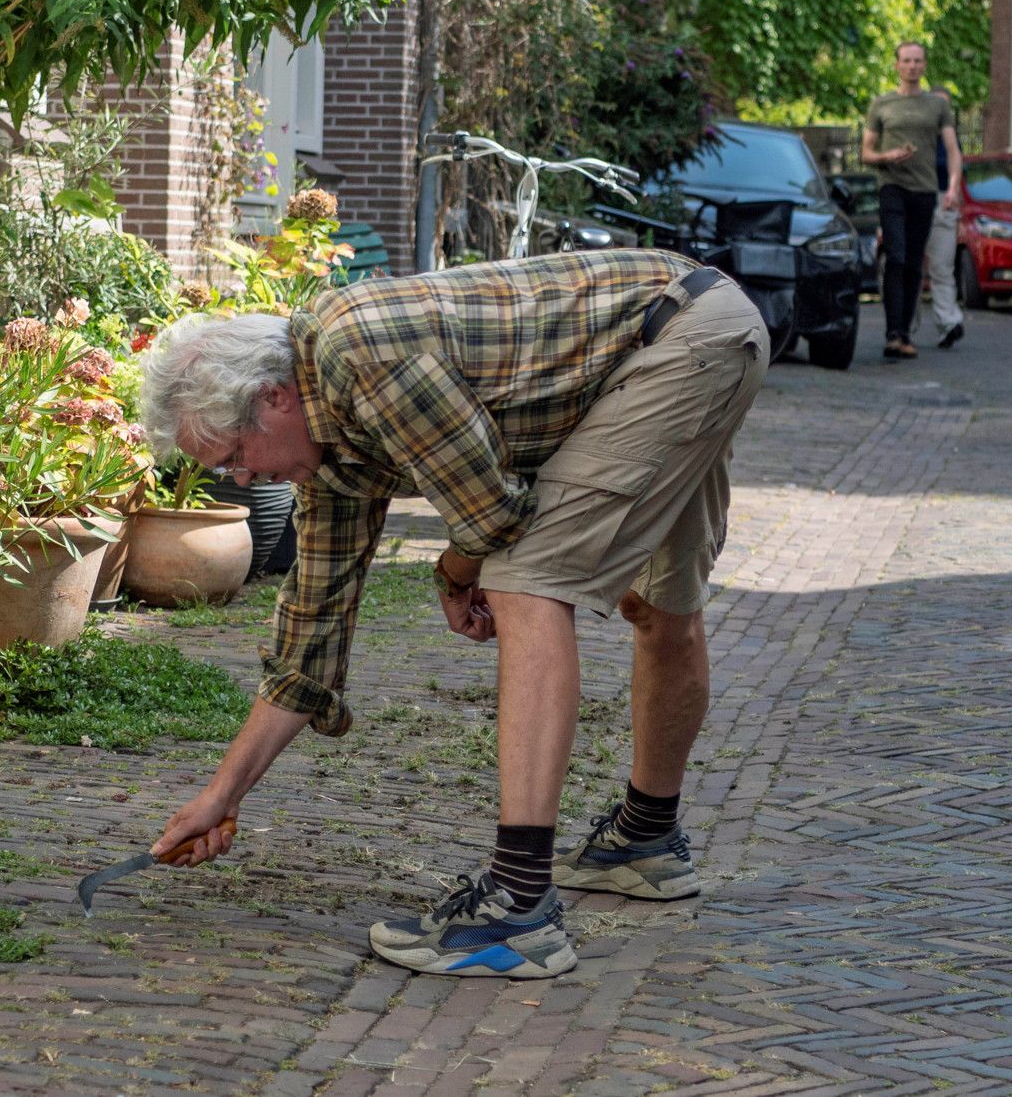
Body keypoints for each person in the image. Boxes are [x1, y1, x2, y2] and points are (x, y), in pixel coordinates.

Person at [137, 250, 768, 979]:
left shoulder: (355, 351)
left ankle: (518, 910)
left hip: (683, 339)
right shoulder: (332, 451)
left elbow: (494, 514)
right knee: (659, 599)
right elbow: (310, 635)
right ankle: (645, 843)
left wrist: (453, 574)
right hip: (706, 327)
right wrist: (221, 795)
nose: (247, 479)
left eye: (240, 457)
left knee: (523, 579)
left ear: (274, 396)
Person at [860, 41, 962, 361]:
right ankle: (893, 333)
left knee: (915, 262)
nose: (912, 66)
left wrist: (953, 187)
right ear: (897, 66)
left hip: (924, 190)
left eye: (918, 61)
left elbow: (954, 149)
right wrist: (887, 156)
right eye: (906, 60)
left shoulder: (937, 106)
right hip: (892, 186)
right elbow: (865, 153)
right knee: (897, 256)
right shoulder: (881, 104)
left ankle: (904, 333)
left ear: (924, 66)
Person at [920, 93, 966, 350]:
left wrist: (952, 191)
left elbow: (957, 167)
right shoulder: (916, 133)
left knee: (942, 266)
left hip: (942, 201)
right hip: (915, 199)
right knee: (910, 269)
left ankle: (948, 322)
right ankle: (904, 329)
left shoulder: (951, 142)